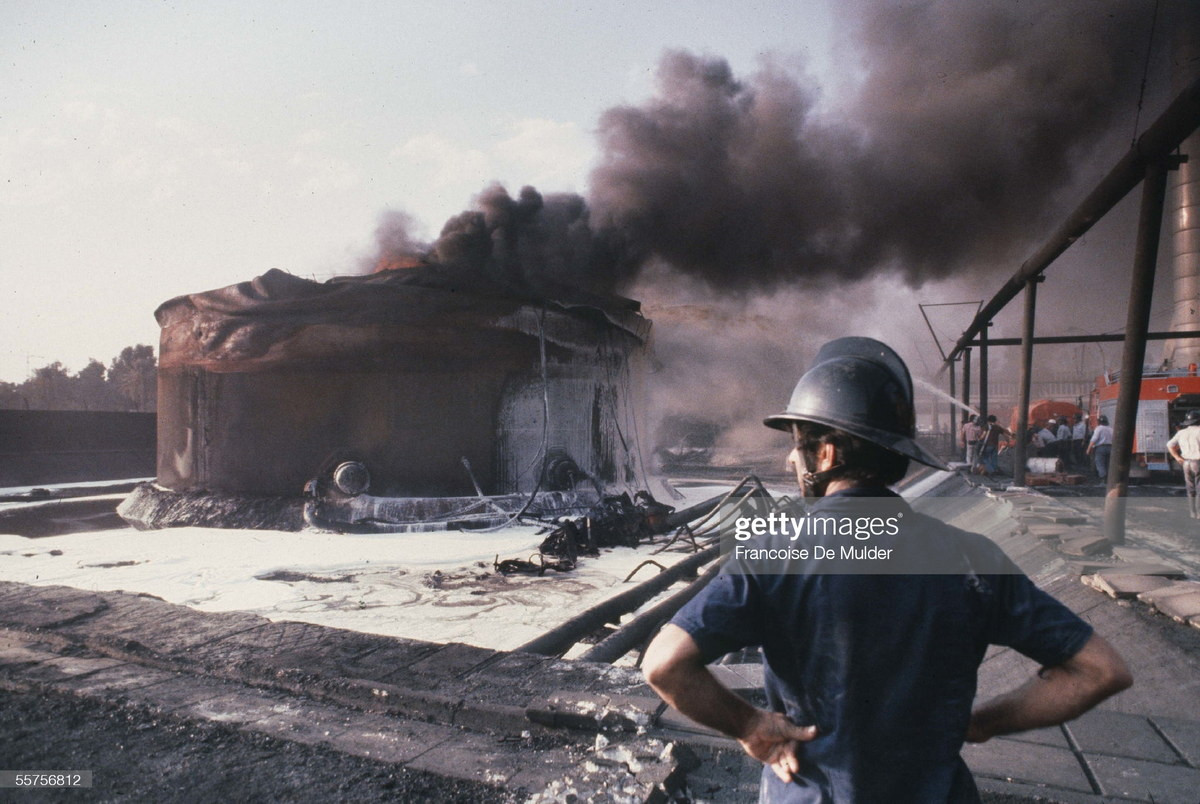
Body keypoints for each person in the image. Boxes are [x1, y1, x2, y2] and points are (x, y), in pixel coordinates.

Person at [642, 337, 1131, 802]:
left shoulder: (771, 551)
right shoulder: (972, 558)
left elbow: (664, 663)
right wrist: (983, 723)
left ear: (827, 453)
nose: (792, 457)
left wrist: (750, 725)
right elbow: (1100, 671)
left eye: (798, 443)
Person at [1167, 409, 1200, 518]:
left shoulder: (1181, 433)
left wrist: (1177, 457)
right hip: (1198, 462)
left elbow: (1169, 445)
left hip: (1186, 463)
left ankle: (1192, 513)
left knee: (1190, 488)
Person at [1087, 415, 1114, 480]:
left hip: (1101, 448)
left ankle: (1103, 478)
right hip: (1110, 448)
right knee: (1107, 464)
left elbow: (1094, 439)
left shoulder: (1099, 428)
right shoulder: (1111, 429)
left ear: (1099, 422)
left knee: (1100, 463)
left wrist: (1088, 449)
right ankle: (1108, 478)